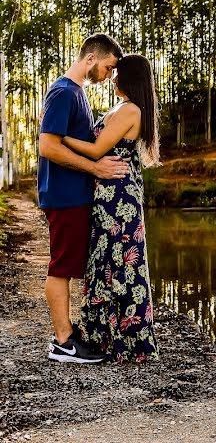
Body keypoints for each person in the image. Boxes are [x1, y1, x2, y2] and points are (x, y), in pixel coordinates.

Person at [62, 53, 161, 363]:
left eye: (117, 73)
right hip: (109, 194)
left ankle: (124, 338)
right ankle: (103, 333)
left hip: (119, 198)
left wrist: (59, 138)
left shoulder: (130, 110)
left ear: (129, 78)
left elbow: (96, 149)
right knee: (106, 257)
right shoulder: (122, 108)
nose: (112, 77)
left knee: (119, 261)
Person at [39, 33, 127, 364]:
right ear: (91, 59)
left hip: (74, 194)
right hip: (63, 195)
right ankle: (63, 343)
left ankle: (68, 336)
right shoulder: (63, 92)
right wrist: (96, 168)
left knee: (70, 264)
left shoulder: (77, 94)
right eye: (107, 68)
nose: (108, 76)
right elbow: (48, 146)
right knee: (61, 267)